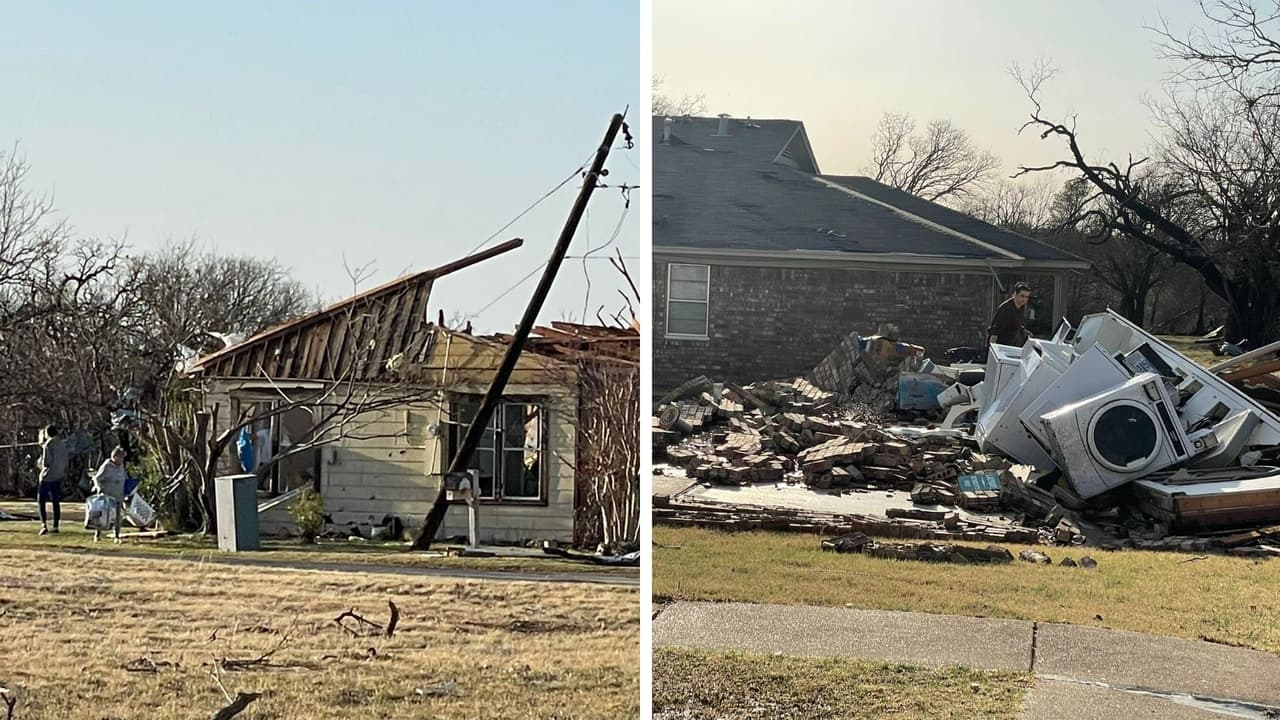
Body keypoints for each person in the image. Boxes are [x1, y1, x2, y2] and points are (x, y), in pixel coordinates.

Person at [36, 424, 69, 535]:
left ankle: (43, 524)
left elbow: (46, 462)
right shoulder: (62, 444)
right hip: (58, 476)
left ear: (47, 433)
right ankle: (55, 525)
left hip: (47, 477)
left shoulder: (48, 445)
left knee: (41, 501)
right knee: (56, 502)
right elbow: (65, 460)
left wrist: (40, 463)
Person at [92, 446, 129, 543]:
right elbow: (96, 478)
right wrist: (99, 487)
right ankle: (97, 535)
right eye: (120, 457)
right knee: (102, 516)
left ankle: (117, 536)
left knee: (117, 517)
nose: (122, 460)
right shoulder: (106, 466)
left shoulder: (121, 466)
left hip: (118, 495)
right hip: (107, 495)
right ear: (115, 457)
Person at [987, 282, 1032, 347]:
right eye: (1022, 296)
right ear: (1015, 294)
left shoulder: (1022, 308)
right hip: (1001, 346)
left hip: (1013, 345)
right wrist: (992, 349)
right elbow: (995, 331)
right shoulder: (1006, 309)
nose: (1024, 299)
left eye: (1026, 297)